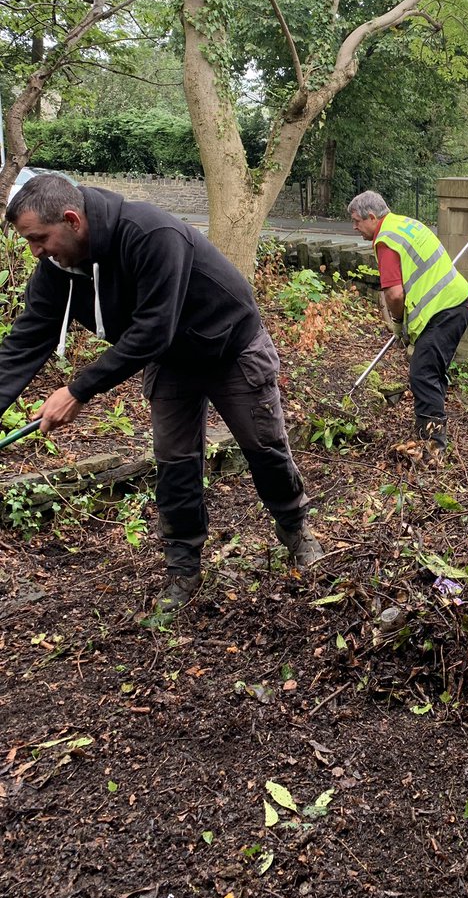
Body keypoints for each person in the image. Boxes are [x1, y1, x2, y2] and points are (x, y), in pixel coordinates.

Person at [1, 174, 322, 613]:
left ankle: (297, 532)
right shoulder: (58, 269)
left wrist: (77, 390)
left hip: (231, 346)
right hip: (172, 359)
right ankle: (183, 569)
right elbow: (24, 343)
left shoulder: (150, 234)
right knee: (174, 463)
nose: (36, 251)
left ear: (72, 220)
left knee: (263, 447)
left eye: (39, 239)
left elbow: (153, 329)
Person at [347, 191, 468, 461]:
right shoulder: (404, 224)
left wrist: (397, 323)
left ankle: (433, 448)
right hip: (455, 304)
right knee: (430, 370)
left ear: (372, 217)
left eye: (357, 221)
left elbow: (394, 295)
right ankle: (431, 431)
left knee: (422, 374)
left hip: (445, 309)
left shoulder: (386, 240)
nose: (354, 226)